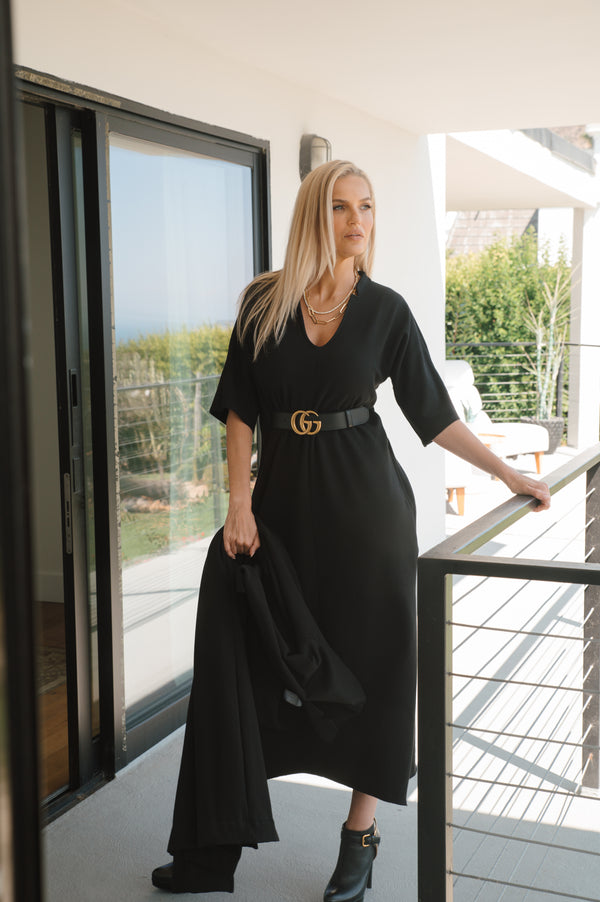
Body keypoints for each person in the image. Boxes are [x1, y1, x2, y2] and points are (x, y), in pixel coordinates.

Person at [152, 160, 551, 899]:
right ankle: (212, 847)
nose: (357, 220)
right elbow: (240, 412)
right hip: (276, 517)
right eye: (341, 207)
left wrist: (507, 472)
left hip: (368, 517)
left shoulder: (387, 311)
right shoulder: (262, 306)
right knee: (238, 666)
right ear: (314, 215)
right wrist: (237, 503)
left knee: (379, 666)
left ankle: (359, 838)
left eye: (366, 207)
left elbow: (434, 414)